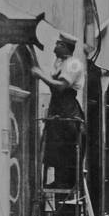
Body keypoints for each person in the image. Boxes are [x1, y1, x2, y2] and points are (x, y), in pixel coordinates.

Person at [31, 33, 85, 190]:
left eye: (57, 44)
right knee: (55, 141)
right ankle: (59, 179)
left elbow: (61, 87)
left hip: (67, 106)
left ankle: (66, 180)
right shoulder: (60, 62)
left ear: (64, 47)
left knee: (65, 140)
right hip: (57, 104)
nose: (54, 47)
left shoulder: (73, 64)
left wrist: (40, 75)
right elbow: (53, 85)